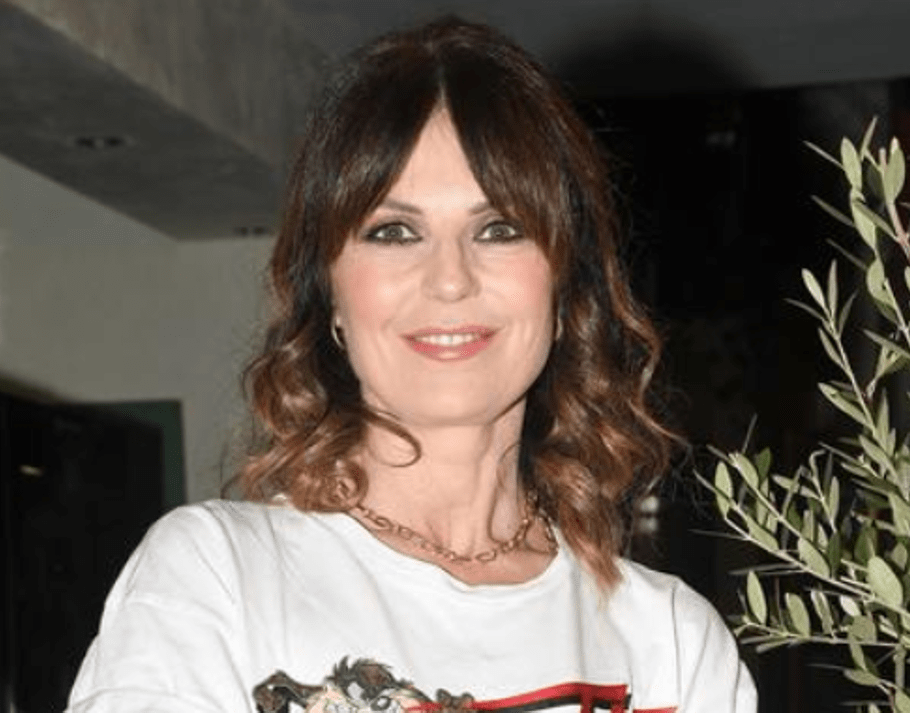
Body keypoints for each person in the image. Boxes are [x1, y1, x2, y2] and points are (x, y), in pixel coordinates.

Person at [66, 16, 756, 713]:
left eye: (499, 229)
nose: (449, 279)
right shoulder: (216, 578)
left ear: (563, 289)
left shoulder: (670, 641)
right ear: (331, 295)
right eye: (394, 232)